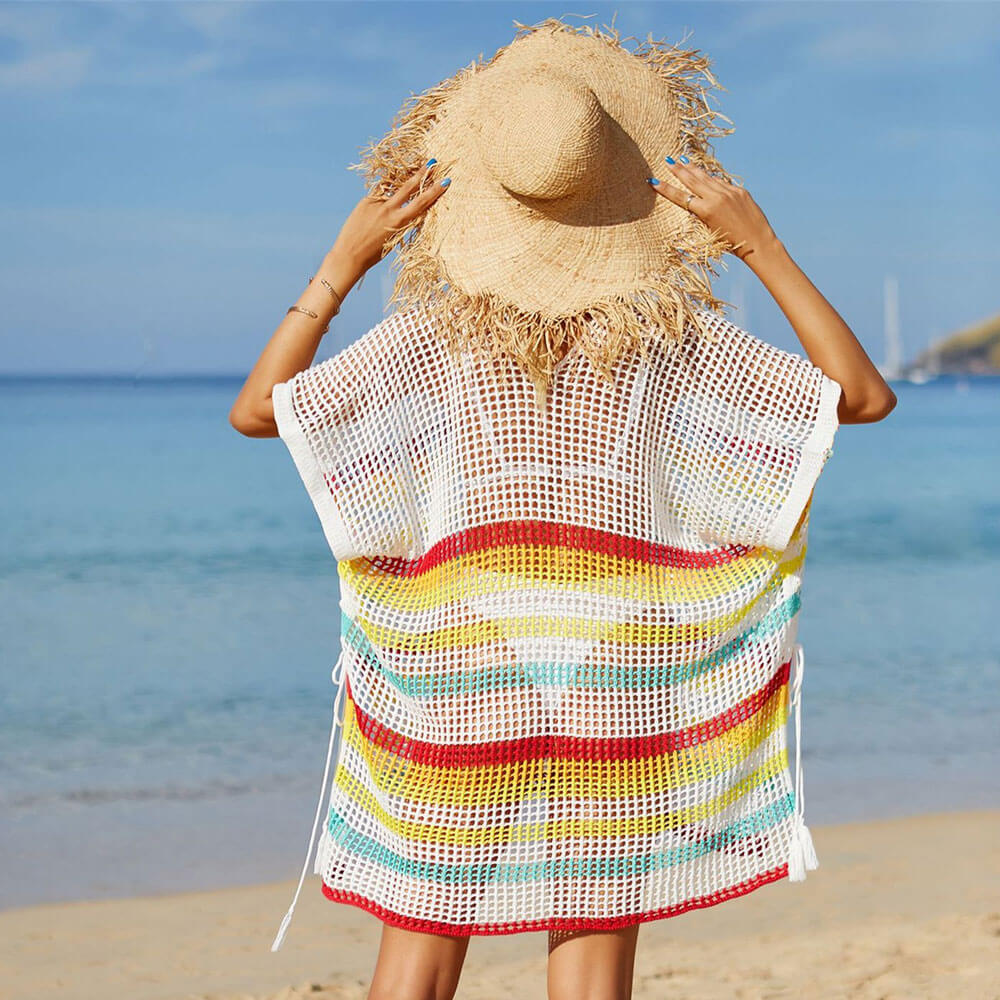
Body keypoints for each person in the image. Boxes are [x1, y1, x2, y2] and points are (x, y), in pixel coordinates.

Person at [229, 17, 896, 1000]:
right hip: (617, 661)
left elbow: (258, 413)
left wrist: (347, 258)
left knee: (420, 941)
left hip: (465, 657)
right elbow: (861, 396)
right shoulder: (668, 342)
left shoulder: (444, 340)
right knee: (590, 956)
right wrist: (757, 244)